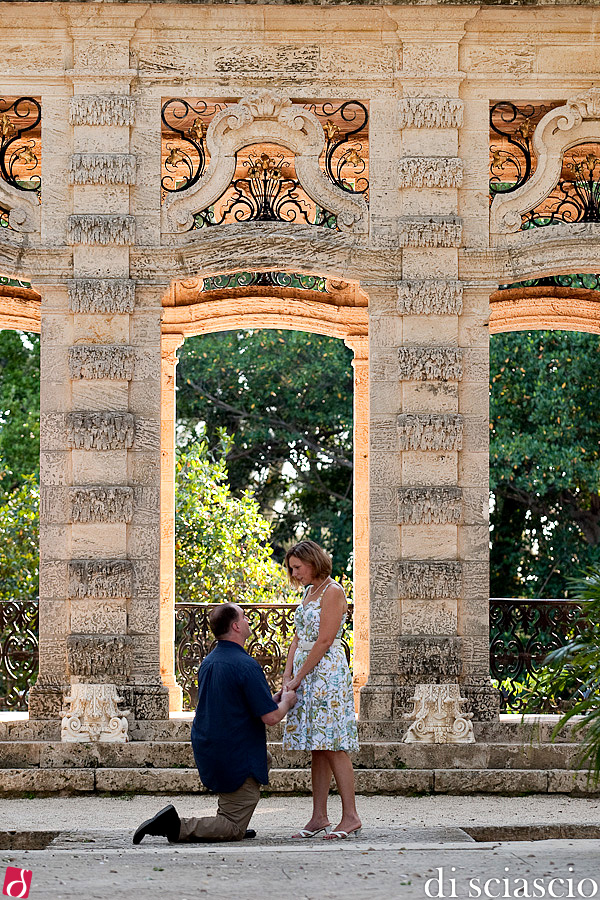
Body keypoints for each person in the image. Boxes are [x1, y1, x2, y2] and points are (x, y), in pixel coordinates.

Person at [133, 602, 296, 844]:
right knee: (232, 829)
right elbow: (271, 718)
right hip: (234, 754)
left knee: (265, 759)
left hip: (211, 747)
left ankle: (232, 817)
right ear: (236, 626)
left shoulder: (210, 661)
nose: (248, 620)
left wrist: (270, 701)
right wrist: (288, 702)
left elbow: (235, 703)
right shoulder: (246, 665)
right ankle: (180, 825)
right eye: (244, 616)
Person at [282, 540, 361, 839]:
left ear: (313, 561)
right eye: (292, 569)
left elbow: (325, 640)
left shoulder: (333, 591)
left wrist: (300, 676)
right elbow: (297, 637)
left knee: (332, 742)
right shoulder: (308, 592)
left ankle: (351, 816)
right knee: (317, 745)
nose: (295, 573)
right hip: (306, 673)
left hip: (326, 675)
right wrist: (288, 674)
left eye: (298, 567)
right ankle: (319, 816)